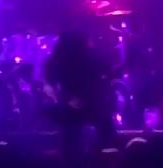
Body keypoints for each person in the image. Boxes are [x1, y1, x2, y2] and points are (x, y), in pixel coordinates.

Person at [44, 28, 114, 160]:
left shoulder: (58, 59)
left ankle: (72, 160)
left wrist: (65, 98)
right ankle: (102, 158)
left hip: (76, 105)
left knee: (71, 137)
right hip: (91, 104)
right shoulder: (93, 57)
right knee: (100, 136)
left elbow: (49, 80)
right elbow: (106, 76)